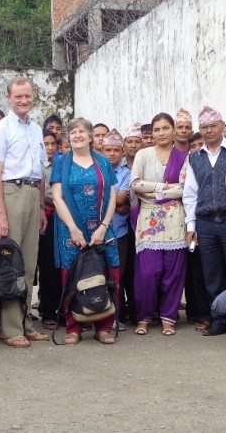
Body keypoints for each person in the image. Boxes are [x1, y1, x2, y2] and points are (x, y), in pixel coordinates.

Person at [0, 77, 48, 348]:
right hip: (11, 194)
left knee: (30, 263)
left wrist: (43, 207)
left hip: (33, 194)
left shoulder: (35, 130)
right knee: (9, 263)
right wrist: (0, 213)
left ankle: (26, 323)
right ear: (9, 97)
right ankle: (10, 329)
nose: (24, 100)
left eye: (28, 96)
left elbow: (41, 172)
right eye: (18, 96)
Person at [183, 105, 226, 338]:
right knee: (211, 275)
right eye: (204, 127)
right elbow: (190, 194)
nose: (209, 131)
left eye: (213, 126)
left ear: (223, 126)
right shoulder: (194, 158)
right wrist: (191, 227)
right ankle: (220, 318)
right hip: (206, 223)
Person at [50, 118, 119, 344]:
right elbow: (58, 198)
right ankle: (74, 327)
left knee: (106, 274)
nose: (77, 135)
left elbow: (111, 198)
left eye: (82, 132)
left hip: (101, 228)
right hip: (71, 230)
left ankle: (104, 327)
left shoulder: (103, 162)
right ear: (68, 138)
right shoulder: (61, 162)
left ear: (91, 137)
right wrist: (73, 229)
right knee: (73, 277)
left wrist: (104, 226)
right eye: (73, 133)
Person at [130, 113, 189, 336]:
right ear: (151, 133)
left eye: (166, 128)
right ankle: (143, 317)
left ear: (174, 130)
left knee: (172, 271)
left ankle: (168, 318)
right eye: (157, 129)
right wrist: (164, 188)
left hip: (175, 218)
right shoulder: (143, 154)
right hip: (148, 218)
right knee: (148, 271)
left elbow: (185, 188)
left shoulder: (184, 157)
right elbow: (134, 183)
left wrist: (152, 189)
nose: (161, 133)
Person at [103, 129, 134, 327]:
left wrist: (109, 198)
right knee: (97, 275)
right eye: (108, 149)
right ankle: (96, 315)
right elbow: (118, 202)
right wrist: (118, 204)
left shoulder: (126, 173)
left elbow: (123, 199)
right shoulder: (94, 170)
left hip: (119, 232)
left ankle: (114, 318)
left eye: (116, 150)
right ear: (101, 150)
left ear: (122, 152)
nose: (112, 153)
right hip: (95, 232)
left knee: (116, 276)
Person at [36, 129, 61, 331]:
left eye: (53, 144)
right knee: (47, 265)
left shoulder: (62, 164)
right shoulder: (36, 166)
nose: (50, 148)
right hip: (45, 216)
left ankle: (65, 308)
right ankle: (48, 311)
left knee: (61, 264)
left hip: (62, 219)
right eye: (46, 144)